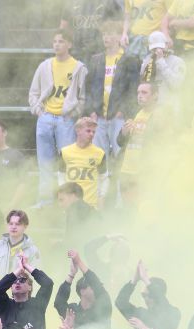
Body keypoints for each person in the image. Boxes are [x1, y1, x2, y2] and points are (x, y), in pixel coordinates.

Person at [29, 30, 88, 206]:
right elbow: (33, 92)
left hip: (65, 120)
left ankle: (68, 201)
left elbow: (82, 97)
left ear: (69, 44)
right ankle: (45, 201)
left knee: (66, 163)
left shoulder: (79, 67)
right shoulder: (45, 66)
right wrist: (38, 111)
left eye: (61, 41)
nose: (56, 44)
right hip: (46, 117)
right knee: (45, 163)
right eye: (54, 41)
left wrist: (73, 113)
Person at [85, 21, 141, 161]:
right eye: (104, 34)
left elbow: (133, 89)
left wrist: (122, 111)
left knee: (120, 155)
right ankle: (102, 184)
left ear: (118, 37)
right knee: (99, 158)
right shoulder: (95, 60)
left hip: (118, 117)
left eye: (110, 34)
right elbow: (88, 88)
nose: (106, 38)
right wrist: (92, 111)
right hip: (98, 117)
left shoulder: (130, 60)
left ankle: (118, 184)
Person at [0, 254, 55, 329]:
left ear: (30, 287)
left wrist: (26, 265)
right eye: (14, 281)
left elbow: (48, 283)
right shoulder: (5, 306)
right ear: (10, 287)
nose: (17, 283)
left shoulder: (38, 304)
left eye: (22, 280)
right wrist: (19, 270)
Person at [115, 259, 180, 329]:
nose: (147, 299)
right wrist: (134, 280)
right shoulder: (142, 314)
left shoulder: (173, 312)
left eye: (150, 295)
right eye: (143, 295)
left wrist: (145, 279)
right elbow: (120, 302)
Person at [54, 249, 111, 329]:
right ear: (82, 291)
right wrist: (71, 274)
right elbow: (59, 302)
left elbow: (97, 284)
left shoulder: (102, 307)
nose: (97, 288)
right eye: (92, 286)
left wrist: (79, 262)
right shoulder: (72, 311)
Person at [0, 210, 43, 284]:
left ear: (25, 226)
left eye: (18, 224)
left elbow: (37, 278)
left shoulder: (33, 251)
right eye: (11, 224)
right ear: (7, 225)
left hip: (20, 294)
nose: (13, 227)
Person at [59, 117, 107, 209]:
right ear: (78, 130)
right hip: (71, 206)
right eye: (88, 131)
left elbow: (104, 178)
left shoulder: (100, 153)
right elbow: (61, 176)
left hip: (91, 206)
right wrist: (63, 198)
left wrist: (101, 198)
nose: (91, 134)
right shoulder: (65, 152)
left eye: (93, 132)